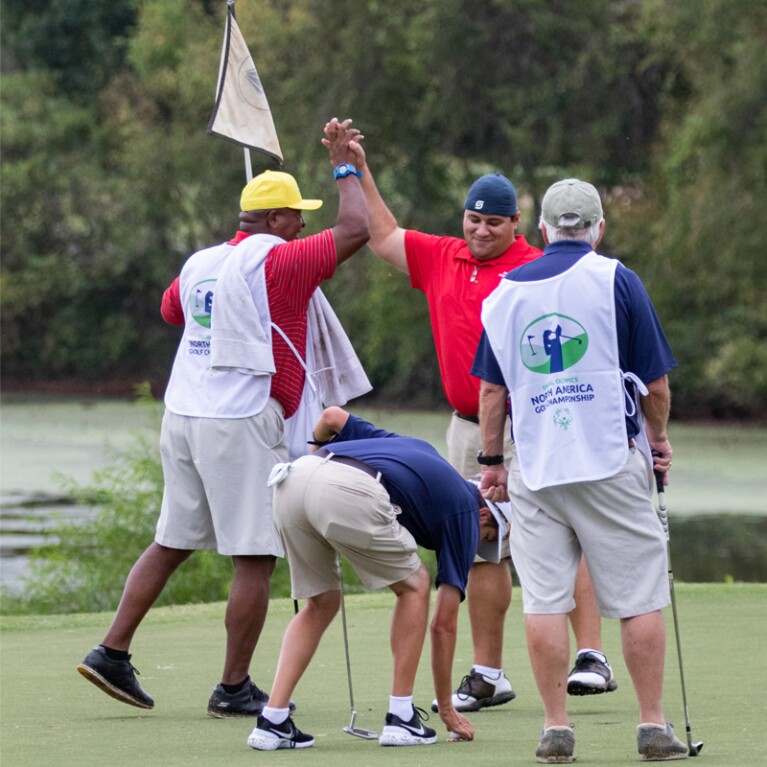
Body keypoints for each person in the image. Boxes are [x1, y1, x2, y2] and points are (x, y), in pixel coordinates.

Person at [76, 118, 369, 718]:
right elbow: (357, 227)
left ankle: (112, 650)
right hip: (238, 419)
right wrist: (346, 166)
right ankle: (234, 688)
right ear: (274, 220)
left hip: (185, 412)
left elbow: (171, 312)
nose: (304, 225)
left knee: (171, 539)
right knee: (255, 554)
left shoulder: (200, 262)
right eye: (296, 215)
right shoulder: (281, 263)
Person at [347, 133, 616, 709]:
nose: (481, 230)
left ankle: (590, 655)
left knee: (566, 531)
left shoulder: (539, 266)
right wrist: (357, 170)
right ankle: (489, 674)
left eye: (494, 223)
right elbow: (383, 235)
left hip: (539, 422)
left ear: (517, 224)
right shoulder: (442, 255)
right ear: (463, 218)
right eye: (473, 219)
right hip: (469, 429)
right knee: (481, 545)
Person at [473, 178, 687, 762]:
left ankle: (556, 728)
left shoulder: (502, 293)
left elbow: (492, 392)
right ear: (598, 229)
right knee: (640, 596)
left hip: (536, 466)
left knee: (544, 601)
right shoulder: (616, 277)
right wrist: (659, 440)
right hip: (608, 460)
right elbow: (656, 383)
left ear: (541, 229)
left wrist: (491, 463)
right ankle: (651, 725)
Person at [247, 407, 511, 751]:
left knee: (321, 602)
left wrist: (315, 471)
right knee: (415, 585)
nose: (479, 545)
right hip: (347, 487)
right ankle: (401, 718)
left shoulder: (411, 449)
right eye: (488, 537)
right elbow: (443, 625)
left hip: (292, 479)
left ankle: (273, 721)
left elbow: (331, 417)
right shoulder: (466, 511)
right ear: (484, 514)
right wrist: (447, 709)